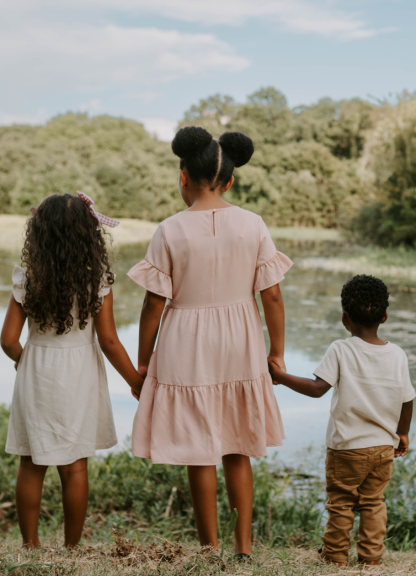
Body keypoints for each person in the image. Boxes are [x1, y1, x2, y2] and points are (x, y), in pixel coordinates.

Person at [128, 126, 290, 560]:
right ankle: (244, 548)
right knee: (238, 446)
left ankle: (209, 549)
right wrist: (276, 351)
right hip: (240, 338)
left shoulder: (169, 230)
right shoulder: (253, 225)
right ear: (231, 179)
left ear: (183, 177)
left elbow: (152, 305)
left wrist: (143, 363)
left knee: (199, 451)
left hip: (186, 340)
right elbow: (271, 295)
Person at [0, 192, 143, 549]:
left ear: (39, 234)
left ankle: (30, 544)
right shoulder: (97, 281)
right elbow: (110, 342)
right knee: (75, 466)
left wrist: (25, 361)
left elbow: (7, 340)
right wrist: (136, 381)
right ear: (88, 236)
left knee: (31, 463)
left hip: (37, 371)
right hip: (78, 373)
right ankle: (72, 547)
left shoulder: (27, 278)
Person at [268, 274, 415, 567]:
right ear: (385, 316)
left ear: (345, 317)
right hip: (383, 448)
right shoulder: (397, 354)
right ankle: (370, 559)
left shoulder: (341, 349)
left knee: (341, 503)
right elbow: (408, 399)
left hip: (347, 448)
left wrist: (281, 377)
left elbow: (317, 389)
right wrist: (403, 434)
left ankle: (335, 557)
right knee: (373, 503)